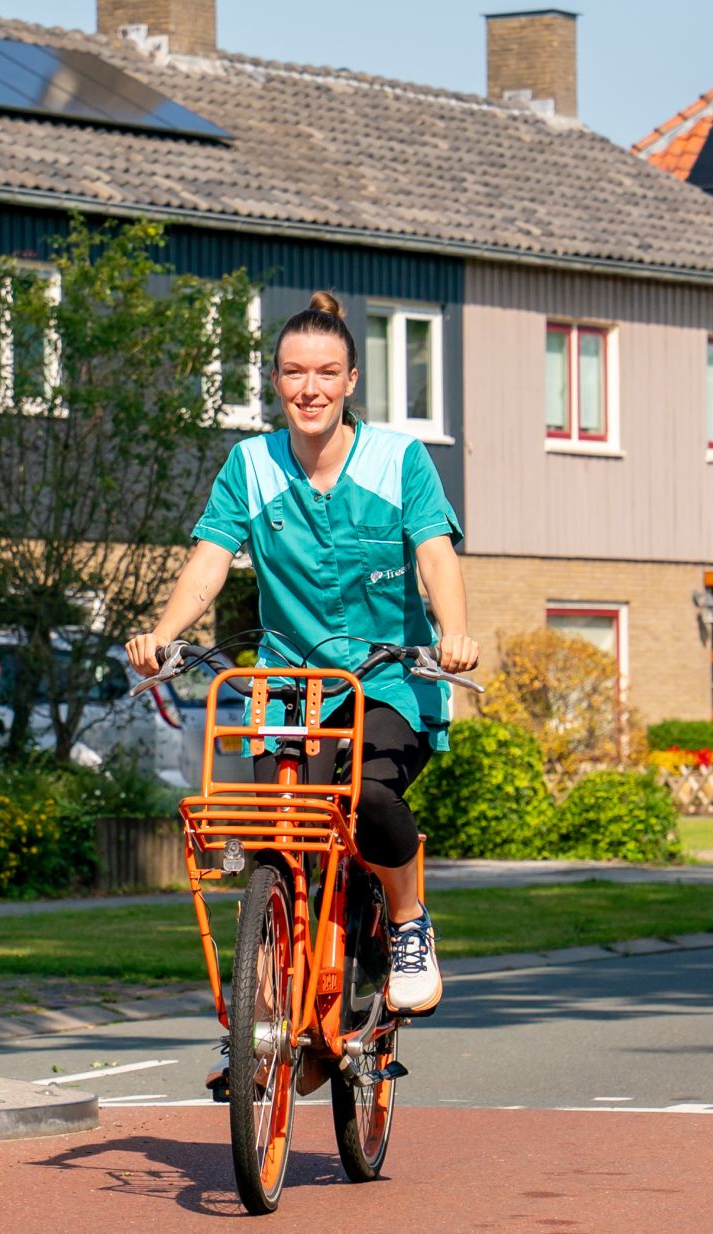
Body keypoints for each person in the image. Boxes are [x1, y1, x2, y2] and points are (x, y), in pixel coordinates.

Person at [126, 291, 478, 1017]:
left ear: (350, 381)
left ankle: (408, 921)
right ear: (276, 381)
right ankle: (262, 1025)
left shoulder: (399, 460)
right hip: (290, 686)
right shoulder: (250, 465)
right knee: (277, 834)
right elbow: (209, 561)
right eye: (294, 373)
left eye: (325, 373)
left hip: (388, 681)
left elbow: (435, 554)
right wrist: (162, 635)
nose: (309, 389)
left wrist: (455, 631)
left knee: (367, 797)